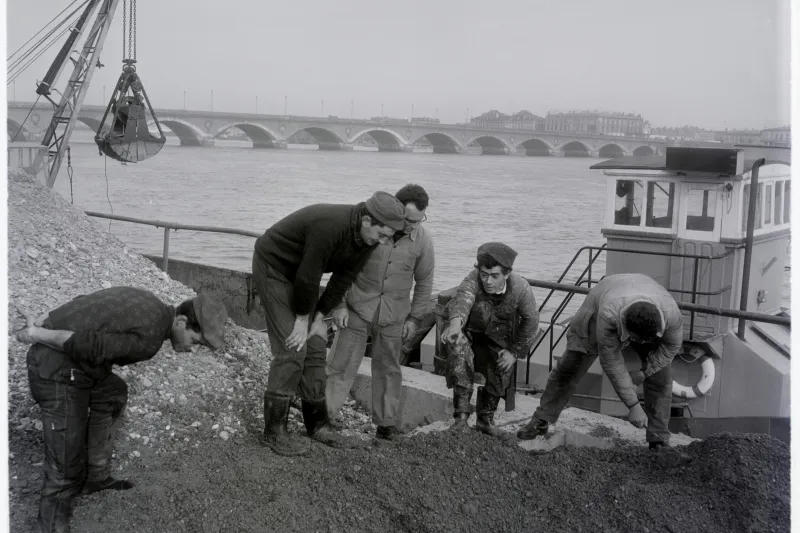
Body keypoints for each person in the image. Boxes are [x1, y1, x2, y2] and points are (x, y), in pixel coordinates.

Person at [15, 287, 228, 533]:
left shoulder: (152, 302)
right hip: (55, 370)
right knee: (65, 470)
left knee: (113, 393)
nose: (193, 350)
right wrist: (37, 333)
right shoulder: (150, 339)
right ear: (181, 321)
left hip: (77, 366)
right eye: (195, 341)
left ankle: (95, 476)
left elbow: (86, 304)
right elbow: (84, 343)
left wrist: (45, 321)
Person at [252, 191, 407, 456]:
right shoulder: (330, 226)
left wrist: (320, 316)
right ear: (367, 220)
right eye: (382, 235)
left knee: (315, 345)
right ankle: (274, 431)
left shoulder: (367, 239)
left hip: (301, 276)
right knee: (293, 346)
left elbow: (342, 280)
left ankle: (318, 425)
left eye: (389, 238)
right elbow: (309, 275)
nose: (383, 243)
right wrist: (302, 319)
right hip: (275, 268)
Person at [516, 273, 683, 449]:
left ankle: (658, 438)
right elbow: (611, 362)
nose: (639, 344)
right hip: (600, 304)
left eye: (644, 341)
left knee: (661, 379)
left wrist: (645, 371)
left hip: (641, 302)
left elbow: (671, 347)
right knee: (569, 367)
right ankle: (541, 419)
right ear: (625, 327)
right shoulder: (609, 314)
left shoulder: (672, 315)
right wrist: (633, 405)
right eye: (635, 339)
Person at [326, 184, 435, 440]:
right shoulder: (370, 231)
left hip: (394, 316)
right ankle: (324, 417)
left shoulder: (423, 240)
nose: (411, 226)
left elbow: (425, 281)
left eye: (418, 221)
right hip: (356, 308)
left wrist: (415, 318)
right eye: (408, 220)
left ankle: (385, 426)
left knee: (388, 371)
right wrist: (339, 304)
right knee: (340, 365)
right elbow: (341, 267)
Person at [440, 242, 540, 440]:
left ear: (506, 274)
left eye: (494, 276)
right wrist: (454, 326)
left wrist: (514, 351)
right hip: (467, 331)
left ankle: (485, 419)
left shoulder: (520, 288)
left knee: (502, 365)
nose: (487, 281)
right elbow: (463, 300)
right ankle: (460, 418)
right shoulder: (472, 279)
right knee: (459, 354)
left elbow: (531, 321)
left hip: (496, 337)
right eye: (484, 274)